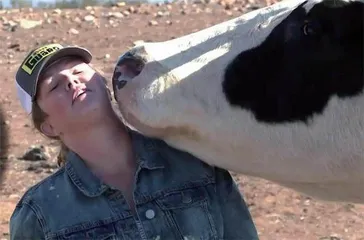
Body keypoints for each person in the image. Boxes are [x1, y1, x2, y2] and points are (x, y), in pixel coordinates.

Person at [9, 43, 259, 240]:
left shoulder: (194, 160)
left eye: (78, 71)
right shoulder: (39, 215)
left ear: (104, 83)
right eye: (54, 86)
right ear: (49, 127)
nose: (71, 81)